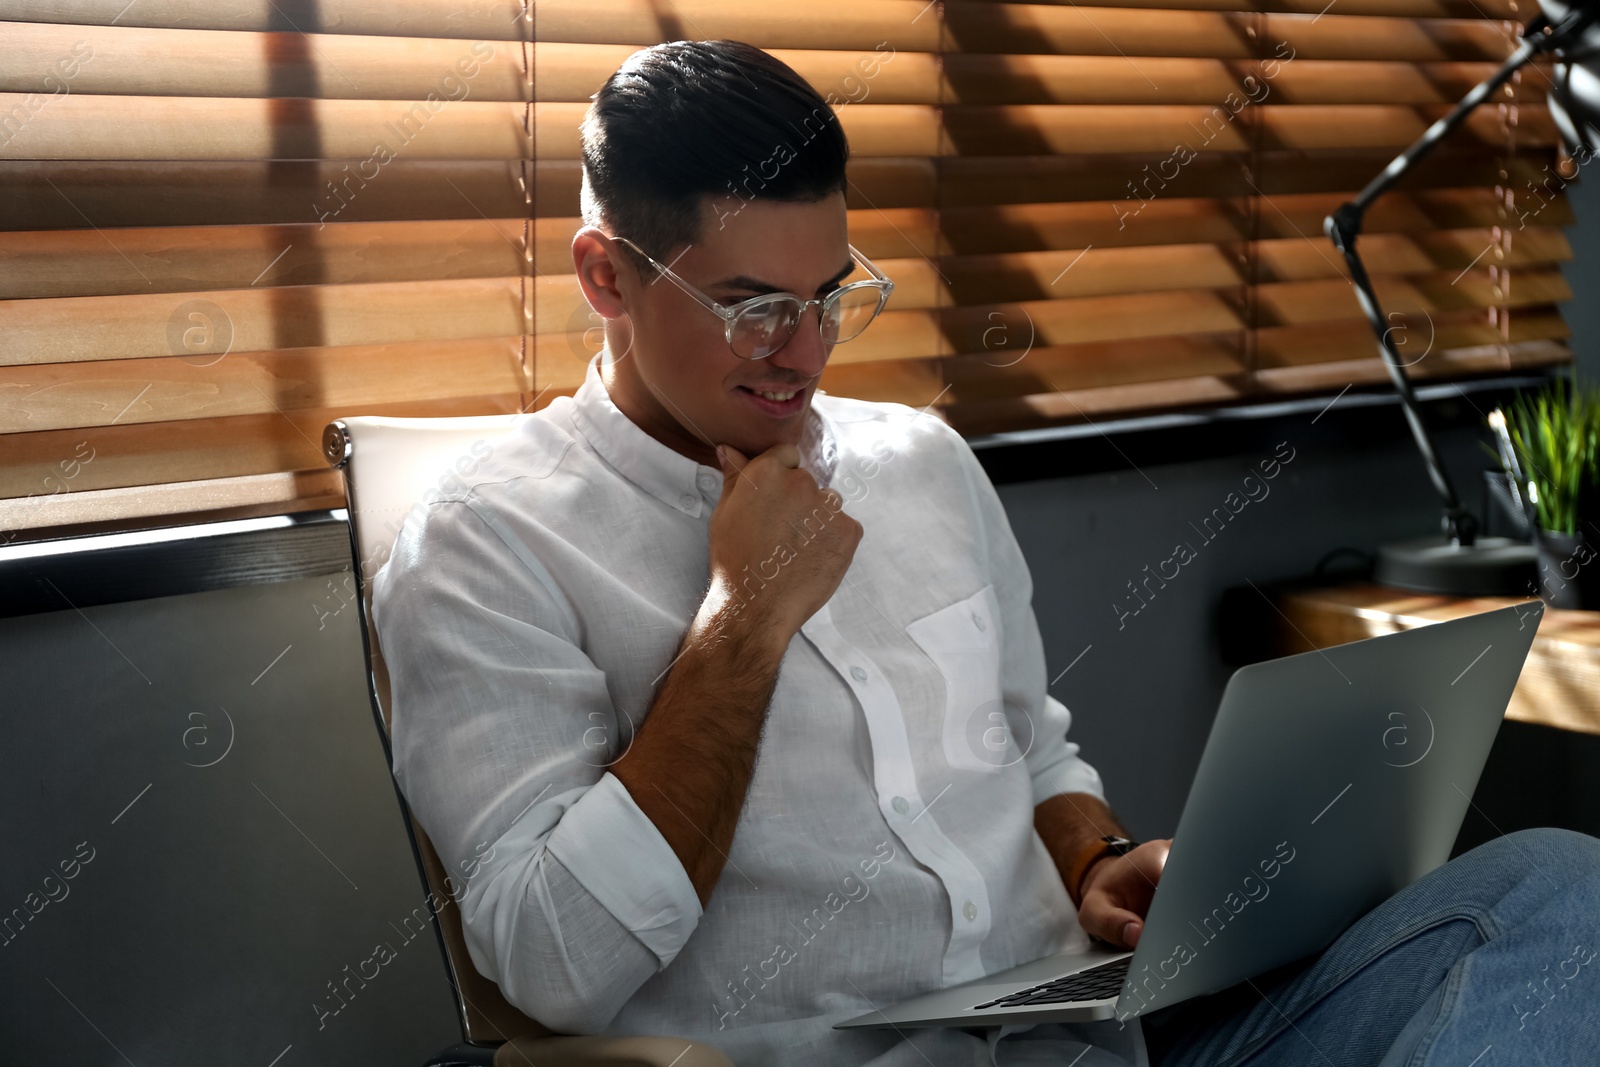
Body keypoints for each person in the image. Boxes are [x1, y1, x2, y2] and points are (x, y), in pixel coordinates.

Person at [371, 39, 1600, 1067]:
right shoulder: (485, 541)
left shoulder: (918, 458)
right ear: (605, 276)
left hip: (1092, 1029)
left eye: (830, 296)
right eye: (749, 305)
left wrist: (1095, 856)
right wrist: (744, 616)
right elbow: (554, 966)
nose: (800, 353)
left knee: (1555, 888)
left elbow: (1027, 741)